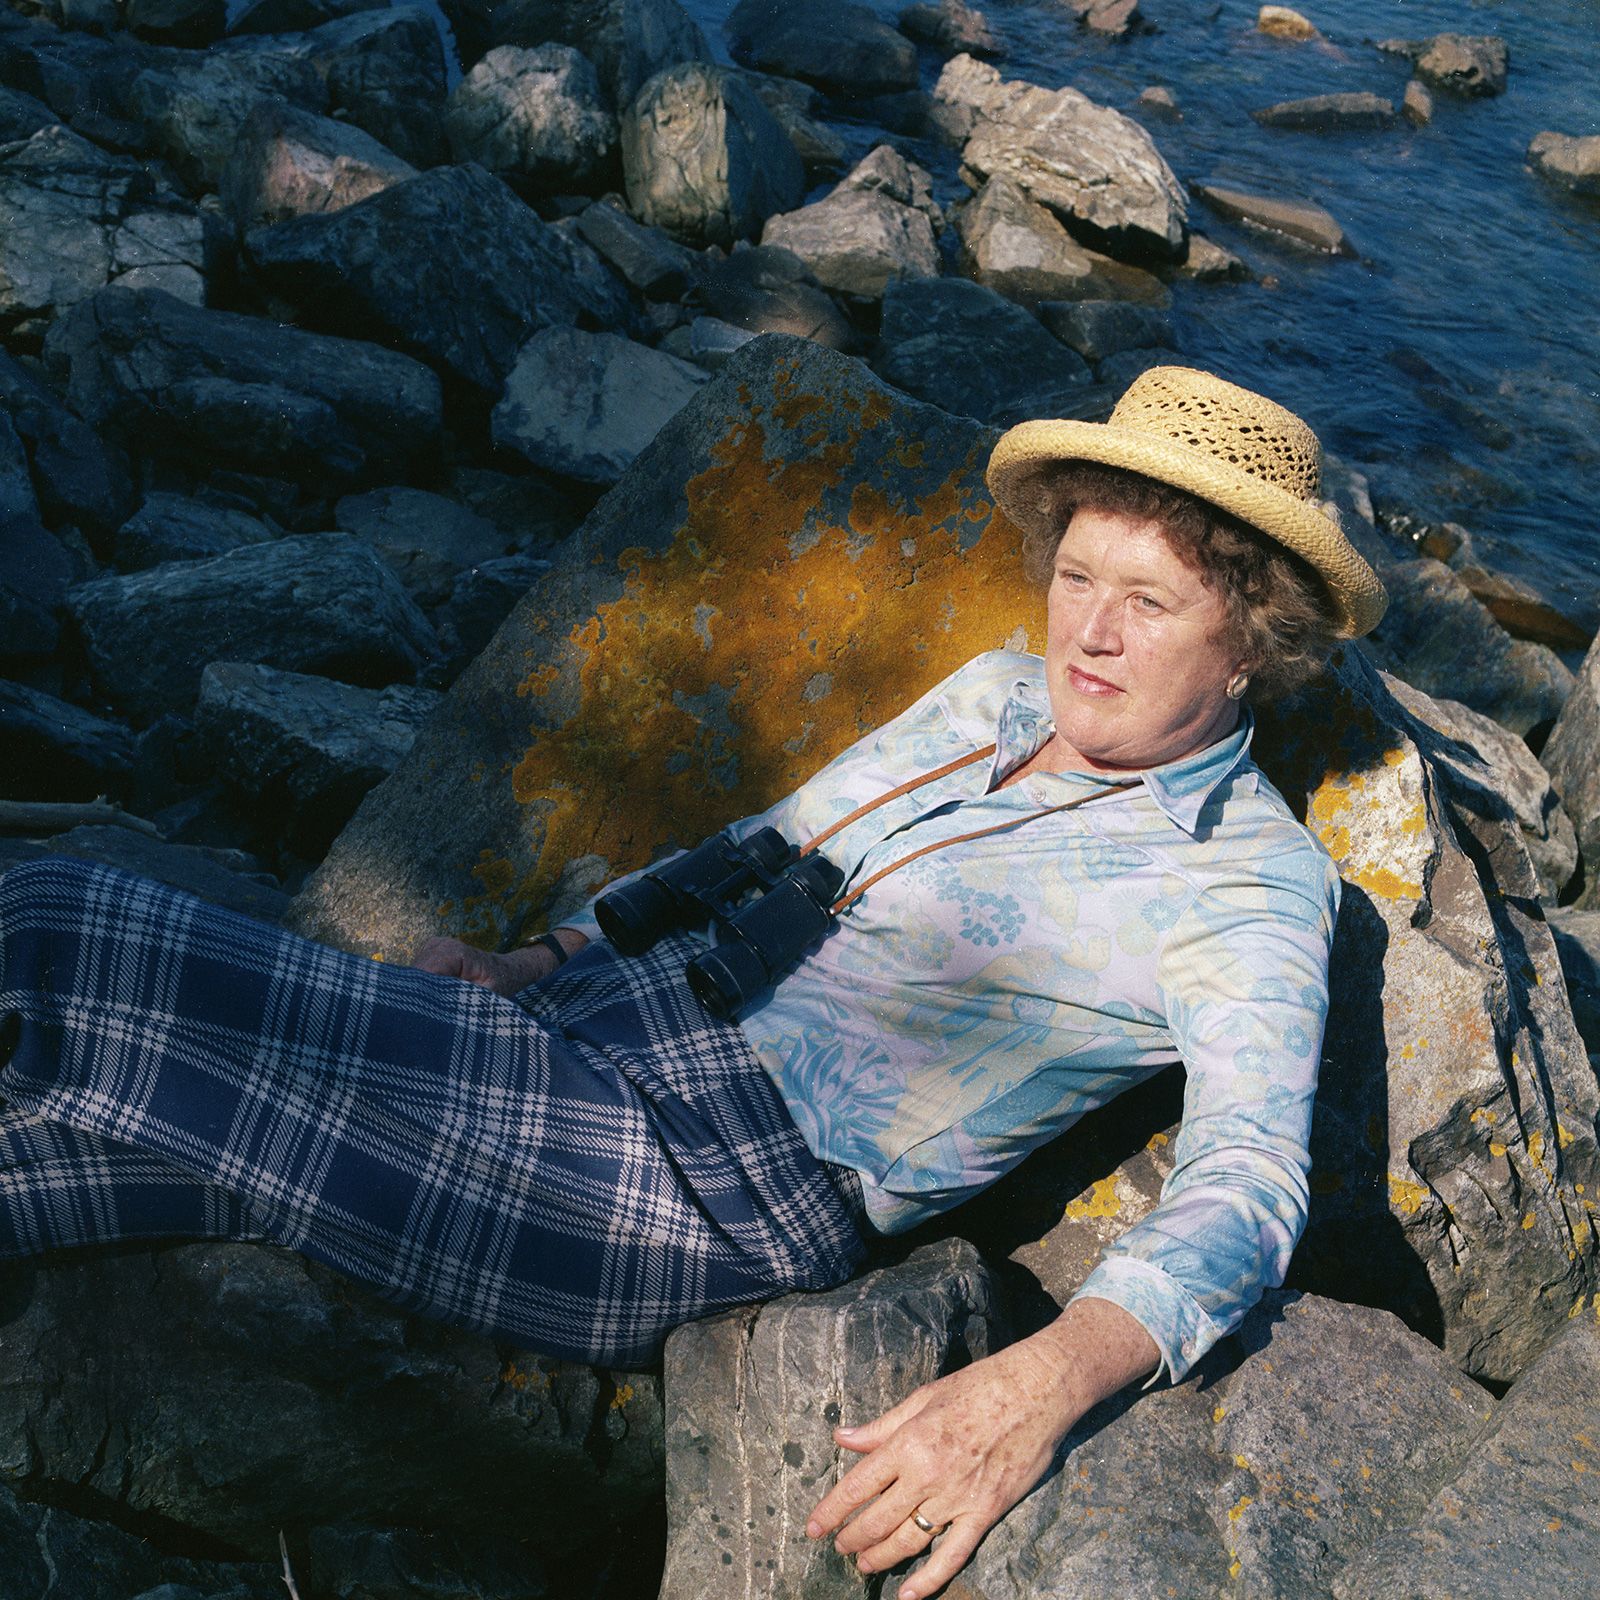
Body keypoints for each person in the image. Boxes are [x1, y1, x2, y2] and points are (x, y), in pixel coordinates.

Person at [0, 367, 1385, 1596]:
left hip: (701, 1183)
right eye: (1077, 574)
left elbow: (1253, 1184)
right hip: (598, 1035)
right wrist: (539, 957)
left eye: (1149, 602)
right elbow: (764, 846)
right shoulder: (997, 695)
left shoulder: (1246, 884)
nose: (1089, 630)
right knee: (83, 1118)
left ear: (1252, 638)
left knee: (80, 952)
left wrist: (1033, 1387)